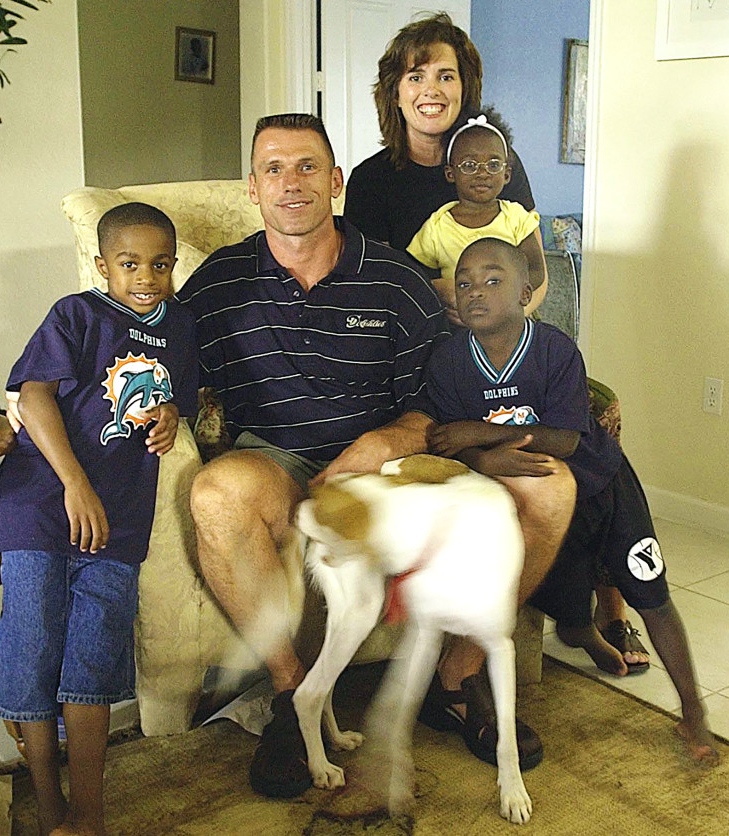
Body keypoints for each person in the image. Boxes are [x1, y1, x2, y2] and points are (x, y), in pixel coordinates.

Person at [175, 113, 575, 798]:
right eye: (273, 168)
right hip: (277, 463)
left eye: (307, 167)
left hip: (393, 473)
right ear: (253, 188)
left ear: (334, 181)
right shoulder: (218, 283)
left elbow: (441, 395)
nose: (291, 183)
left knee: (552, 487)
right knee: (217, 492)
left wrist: (388, 440)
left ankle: (458, 677)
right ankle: (289, 695)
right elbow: (154, 356)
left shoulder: (393, 279)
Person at [421, 237, 719, 765]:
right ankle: (590, 641)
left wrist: (478, 432)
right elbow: (445, 444)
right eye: (464, 283)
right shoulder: (446, 363)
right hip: (549, 504)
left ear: (526, 293)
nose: (475, 292)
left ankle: (693, 710)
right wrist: (482, 460)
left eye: (493, 280)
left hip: (603, 487)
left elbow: (567, 439)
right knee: (567, 605)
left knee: (651, 594)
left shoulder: (555, 350)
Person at [0, 203, 198, 835]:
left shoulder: (180, 326)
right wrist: (75, 483)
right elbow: (33, 394)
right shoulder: (78, 314)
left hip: (119, 518)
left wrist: (172, 414)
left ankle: (89, 812)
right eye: (129, 264)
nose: (146, 276)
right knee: (33, 646)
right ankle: (48, 803)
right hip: (42, 504)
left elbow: (180, 393)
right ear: (103, 266)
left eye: (160, 264)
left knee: (93, 657)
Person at [344, 12, 536, 253]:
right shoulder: (370, 181)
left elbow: (535, 275)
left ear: (464, 89)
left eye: (445, 77)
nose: (431, 90)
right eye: (416, 77)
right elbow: (372, 281)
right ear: (396, 95)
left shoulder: (497, 161)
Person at [407, 109, 548, 324]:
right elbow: (417, 275)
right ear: (450, 173)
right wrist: (445, 293)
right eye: (469, 166)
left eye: (493, 165)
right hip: (457, 327)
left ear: (507, 174)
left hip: (514, 323)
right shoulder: (437, 225)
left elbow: (536, 270)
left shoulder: (516, 218)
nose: (483, 173)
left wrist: (508, 301)